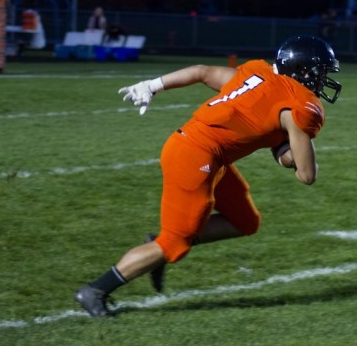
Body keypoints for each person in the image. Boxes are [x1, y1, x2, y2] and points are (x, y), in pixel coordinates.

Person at [74, 35, 343, 317]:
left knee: (245, 221)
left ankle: (159, 242)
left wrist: (152, 85)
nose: (323, 78)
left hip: (205, 153)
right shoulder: (300, 105)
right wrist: (288, 145)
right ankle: (95, 290)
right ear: (301, 69)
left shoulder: (258, 73)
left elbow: (202, 72)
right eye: (319, 71)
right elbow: (306, 174)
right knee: (174, 243)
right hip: (194, 157)